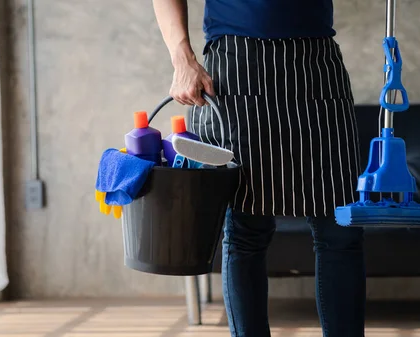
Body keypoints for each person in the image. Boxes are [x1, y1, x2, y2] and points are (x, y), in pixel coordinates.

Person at [153, 1, 366, 336]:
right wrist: (182, 57)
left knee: (341, 230)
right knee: (246, 229)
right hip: (239, 66)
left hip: (317, 65)